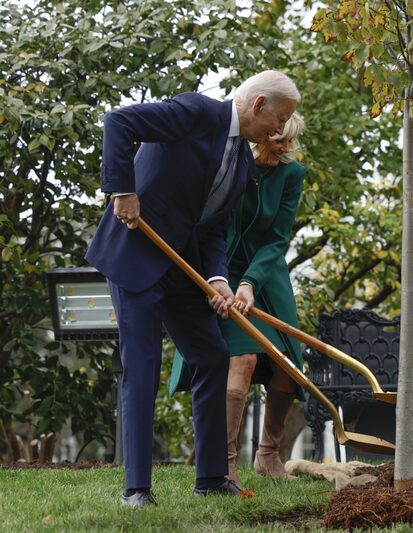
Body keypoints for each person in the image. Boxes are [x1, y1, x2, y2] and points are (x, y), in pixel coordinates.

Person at [85, 70, 300, 508]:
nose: (280, 129)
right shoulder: (198, 112)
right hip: (136, 255)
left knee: (211, 356)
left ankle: (211, 477)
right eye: (279, 119)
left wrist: (218, 279)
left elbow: (214, 229)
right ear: (258, 104)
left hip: (182, 269)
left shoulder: (240, 158)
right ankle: (136, 489)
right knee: (143, 365)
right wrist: (122, 189)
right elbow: (119, 123)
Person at [169, 112, 307, 484]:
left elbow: (277, 238)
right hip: (218, 268)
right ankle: (224, 462)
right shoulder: (231, 163)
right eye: (280, 140)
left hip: (266, 274)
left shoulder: (291, 175)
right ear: (262, 136)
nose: (286, 148)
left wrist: (250, 283)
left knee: (287, 365)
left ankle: (267, 455)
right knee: (241, 358)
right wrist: (227, 281)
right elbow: (211, 222)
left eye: (290, 141)